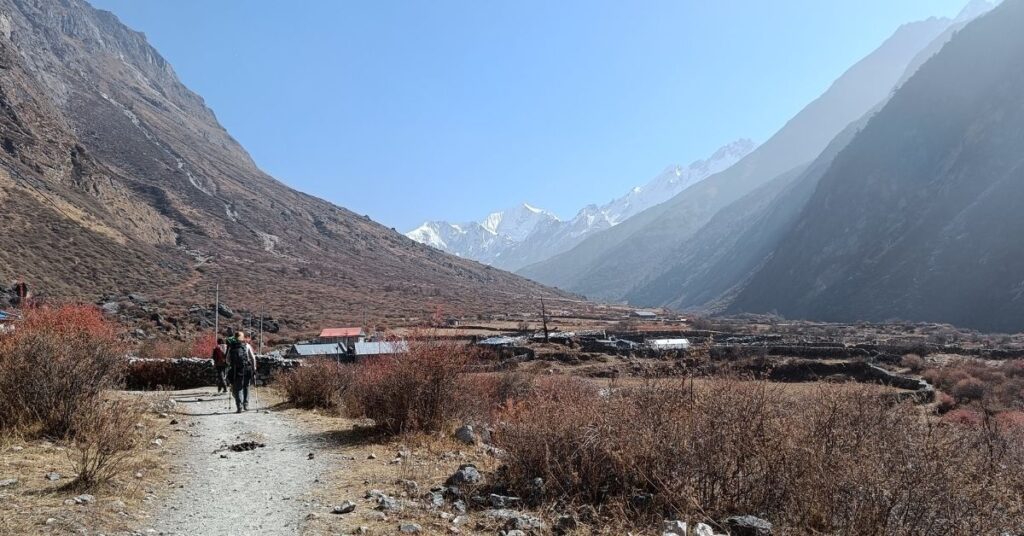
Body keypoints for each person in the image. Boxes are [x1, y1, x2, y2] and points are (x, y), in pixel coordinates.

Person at [226, 331, 257, 413]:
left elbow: (227, 360)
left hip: (236, 370)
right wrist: (254, 369)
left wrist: (233, 365)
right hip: (246, 369)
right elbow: (253, 358)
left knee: (238, 388)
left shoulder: (231, 347)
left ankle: (239, 406)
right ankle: (246, 405)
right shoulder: (247, 346)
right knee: (246, 386)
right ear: (243, 338)